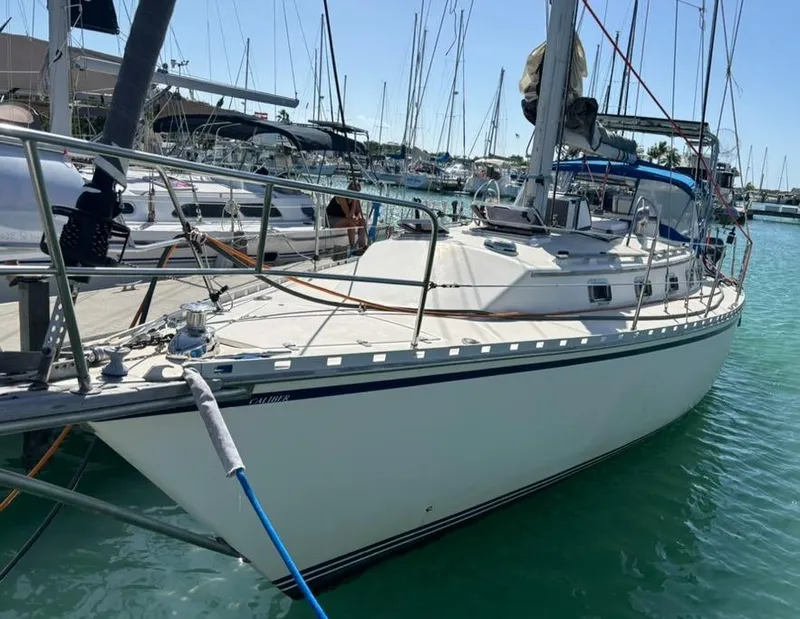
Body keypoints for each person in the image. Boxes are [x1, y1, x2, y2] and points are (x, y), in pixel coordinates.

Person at [326, 180, 366, 250]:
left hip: (343, 219)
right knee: (351, 222)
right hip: (330, 219)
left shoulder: (355, 199)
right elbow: (349, 215)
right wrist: (354, 201)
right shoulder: (342, 196)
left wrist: (358, 217)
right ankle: (353, 248)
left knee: (363, 221)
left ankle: (362, 246)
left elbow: (358, 213)